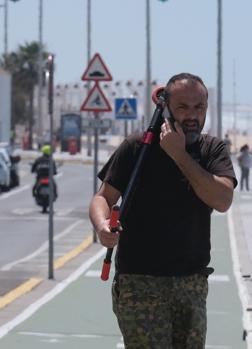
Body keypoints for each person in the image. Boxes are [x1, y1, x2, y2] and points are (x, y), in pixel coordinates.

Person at [89, 73, 237, 348]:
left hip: (191, 283)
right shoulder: (138, 147)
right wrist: (102, 226)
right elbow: (103, 198)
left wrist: (179, 155)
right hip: (140, 282)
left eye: (199, 107)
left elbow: (222, 199)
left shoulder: (212, 150)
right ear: (166, 107)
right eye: (183, 107)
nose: (192, 115)